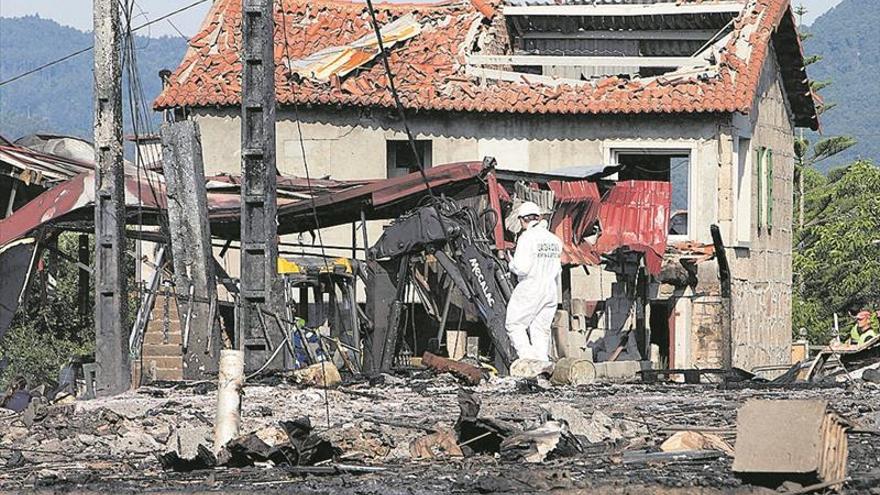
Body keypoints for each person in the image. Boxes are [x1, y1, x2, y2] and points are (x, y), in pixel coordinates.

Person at [505, 201, 562, 362]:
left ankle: (528, 361)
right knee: (540, 329)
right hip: (550, 289)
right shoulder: (554, 240)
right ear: (538, 217)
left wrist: (511, 262)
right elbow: (558, 269)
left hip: (531, 287)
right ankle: (542, 363)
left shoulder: (527, 237)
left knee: (514, 324)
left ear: (523, 220)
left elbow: (522, 268)